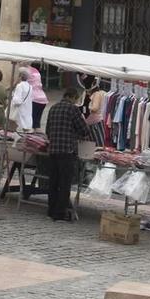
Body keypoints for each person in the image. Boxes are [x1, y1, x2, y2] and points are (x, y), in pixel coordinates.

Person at [43, 85, 84, 222]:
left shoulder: (53, 108)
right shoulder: (73, 109)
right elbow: (83, 129)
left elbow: (48, 130)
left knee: (53, 182)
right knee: (64, 184)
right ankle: (60, 213)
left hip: (53, 150)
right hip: (67, 151)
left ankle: (51, 210)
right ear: (72, 97)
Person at [7, 67, 36, 132]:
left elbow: (17, 101)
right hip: (27, 111)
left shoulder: (20, 86)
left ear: (20, 76)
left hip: (19, 112)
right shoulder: (30, 86)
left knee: (18, 130)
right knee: (25, 130)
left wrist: (12, 97)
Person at [26, 64, 48, 128]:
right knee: (36, 123)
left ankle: (33, 136)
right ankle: (37, 136)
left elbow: (18, 83)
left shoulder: (25, 71)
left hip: (34, 99)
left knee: (31, 122)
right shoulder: (35, 70)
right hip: (43, 98)